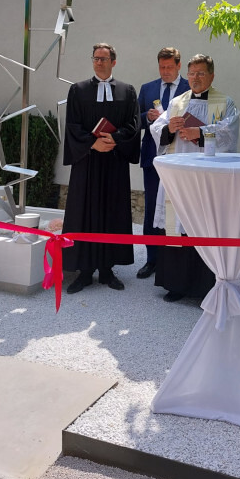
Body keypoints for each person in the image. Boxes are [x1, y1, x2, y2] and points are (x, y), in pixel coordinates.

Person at [151, 53, 239, 302]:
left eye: (201, 73)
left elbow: (230, 134)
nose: (195, 78)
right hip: (179, 177)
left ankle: (205, 287)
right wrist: (168, 128)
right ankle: (176, 284)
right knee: (176, 227)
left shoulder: (225, 102)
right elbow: (156, 128)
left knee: (204, 227)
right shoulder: (177, 102)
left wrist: (199, 133)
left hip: (207, 179)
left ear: (212, 75)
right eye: (192, 73)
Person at [62, 43, 141, 293]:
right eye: (95, 58)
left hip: (114, 162)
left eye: (103, 59)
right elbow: (72, 125)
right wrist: (92, 143)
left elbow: (134, 124)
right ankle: (84, 272)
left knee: (112, 212)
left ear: (113, 62)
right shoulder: (78, 90)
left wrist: (114, 139)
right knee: (84, 213)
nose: (98, 62)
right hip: (87, 162)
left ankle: (107, 270)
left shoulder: (127, 91)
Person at [136, 47, 189, 279]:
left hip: (181, 159)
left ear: (179, 65)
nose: (165, 71)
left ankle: (174, 262)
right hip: (153, 157)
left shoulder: (190, 88)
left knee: (178, 209)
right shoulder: (147, 88)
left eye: (169, 67)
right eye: (161, 67)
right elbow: (134, 120)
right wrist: (147, 118)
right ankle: (152, 260)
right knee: (151, 209)